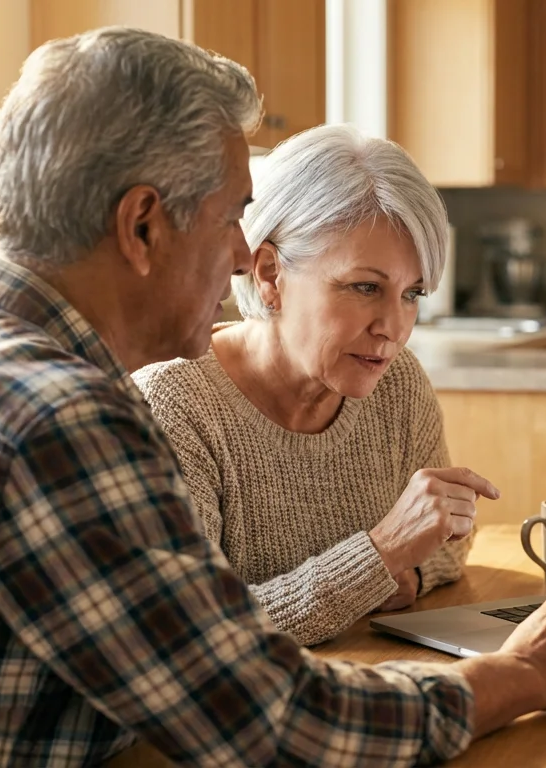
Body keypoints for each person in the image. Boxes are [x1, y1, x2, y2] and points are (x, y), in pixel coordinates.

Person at [0, 27, 546, 767]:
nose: (239, 258)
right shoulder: (57, 417)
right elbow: (272, 723)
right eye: (233, 216)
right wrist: (529, 673)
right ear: (143, 224)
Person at [134, 123, 475, 647]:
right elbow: (190, 635)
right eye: (366, 287)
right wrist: (379, 557)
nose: (394, 328)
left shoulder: (397, 383)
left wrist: (410, 574)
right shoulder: (174, 407)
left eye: (412, 294)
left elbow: (444, 541)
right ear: (270, 274)